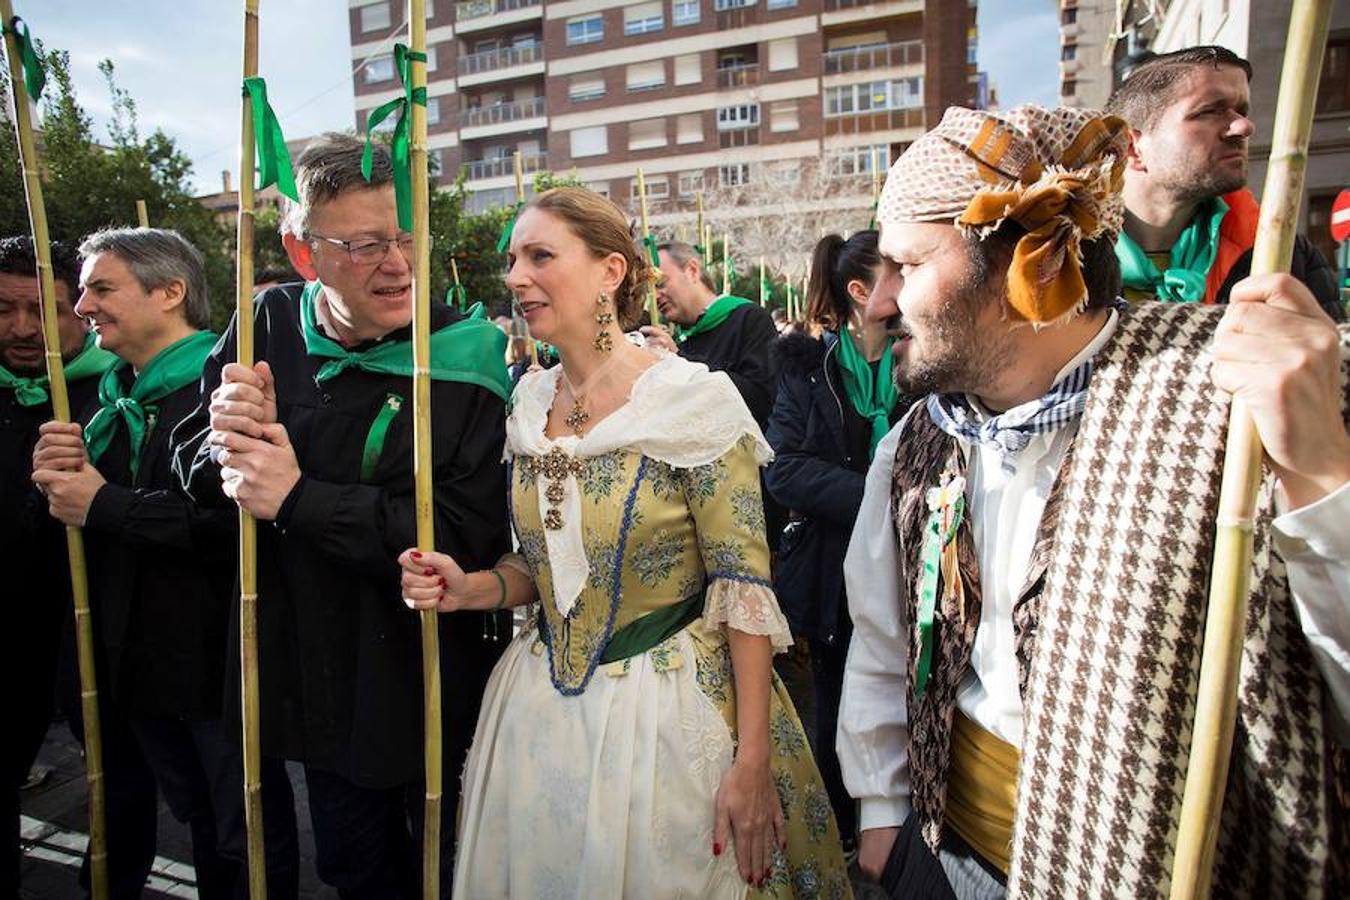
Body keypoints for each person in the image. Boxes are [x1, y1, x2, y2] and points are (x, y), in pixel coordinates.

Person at [838, 104, 1349, 899]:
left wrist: (1323, 469)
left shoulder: (1240, 399)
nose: (880, 300)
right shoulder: (913, 444)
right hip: (941, 860)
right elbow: (883, 637)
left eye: (909, 264)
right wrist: (880, 810)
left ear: (1031, 263)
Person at [398, 187, 852, 898]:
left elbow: (742, 587)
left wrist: (753, 761)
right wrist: (472, 588)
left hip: (668, 718)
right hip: (538, 714)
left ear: (611, 272)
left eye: (541, 256)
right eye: (512, 259)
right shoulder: (528, 404)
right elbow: (543, 565)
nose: (515, 277)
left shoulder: (693, 401)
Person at [173, 133, 513, 898]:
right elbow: (192, 481)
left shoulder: (463, 357)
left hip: (419, 669)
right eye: (363, 246)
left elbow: (463, 535)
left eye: (403, 238)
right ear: (303, 254)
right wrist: (223, 437)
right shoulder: (262, 327)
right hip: (308, 665)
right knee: (354, 867)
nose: (396, 264)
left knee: (449, 864)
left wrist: (300, 498)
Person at [31, 228, 300, 898]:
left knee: (242, 836)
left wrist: (105, 504)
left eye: (101, 287)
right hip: (137, 660)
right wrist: (56, 482)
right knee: (198, 822)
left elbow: (230, 526)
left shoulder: (226, 389)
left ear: (171, 292)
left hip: (214, 663)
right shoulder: (98, 398)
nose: (81, 305)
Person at [765, 230, 901, 860]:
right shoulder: (806, 367)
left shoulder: (921, 357)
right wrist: (879, 491)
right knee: (837, 703)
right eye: (895, 273)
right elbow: (783, 466)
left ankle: (901, 821)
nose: (908, 284)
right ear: (858, 291)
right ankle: (842, 832)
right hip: (829, 569)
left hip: (910, 557)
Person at [1, 236, 118, 897]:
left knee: (115, 782)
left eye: (41, 310)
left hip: (92, 630)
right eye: (3, 309)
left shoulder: (114, 391)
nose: (22, 329)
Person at [1107, 45, 1342, 319]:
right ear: (1133, 147)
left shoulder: (1286, 256)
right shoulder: (1055, 261)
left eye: (1242, 111)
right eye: (1209, 111)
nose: (1244, 127)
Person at [641, 240, 781, 427]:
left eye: (660, 284)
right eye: (649, 291)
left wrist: (680, 362)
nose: (655, 297)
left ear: (692, 270)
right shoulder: (676, 338)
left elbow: (761, 398)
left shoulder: (749, 319)